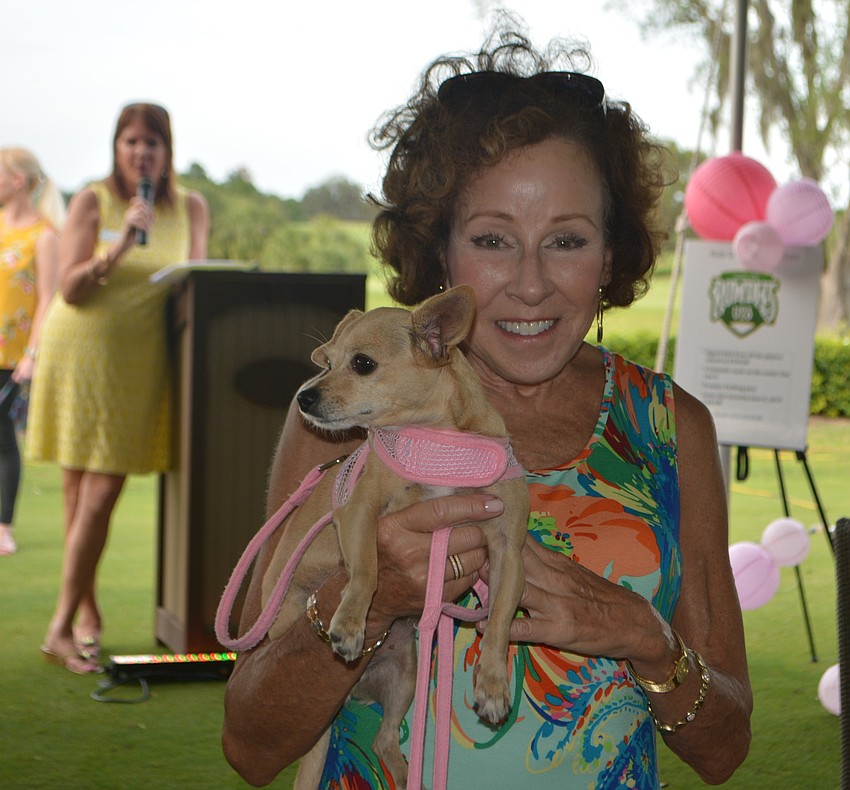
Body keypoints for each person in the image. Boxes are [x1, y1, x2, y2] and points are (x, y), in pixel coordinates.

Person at [221, 24, 752, 788]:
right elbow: (251, 744)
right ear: (440, 255)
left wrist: (643, 636)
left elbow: (726, 749)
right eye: (493, 240)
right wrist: (372, 600)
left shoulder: (669, 430)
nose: (530, 283)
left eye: (566, 241)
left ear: (610, 254)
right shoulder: (355, 416)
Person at [28, 103, 209, 674]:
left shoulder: (191, 207)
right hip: (79, 350)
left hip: (138, 362)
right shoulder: (93, 201)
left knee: (98, 494)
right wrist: (121, 246)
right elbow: (70, 289)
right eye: (130, 141)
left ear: (167, 151)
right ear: (116, 147)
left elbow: (198, 280)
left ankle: (78, 618)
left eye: (151, 143)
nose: (141, 152)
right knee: (83, 494)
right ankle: (70, 622)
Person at [0, 148, 64, 556]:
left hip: (13, 357)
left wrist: (32, 354)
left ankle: (3, 526)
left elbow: (47, 299)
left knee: (4, 441)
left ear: (17, 180)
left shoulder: (44, 236)